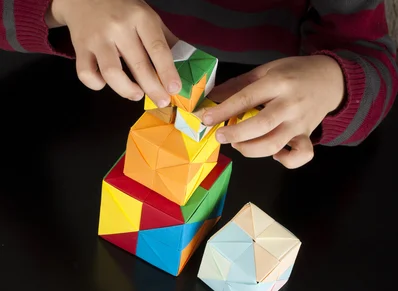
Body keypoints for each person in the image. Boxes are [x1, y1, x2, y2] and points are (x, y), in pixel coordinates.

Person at [1, 0, 397, 168]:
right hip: (66, 100)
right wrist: (61, 6)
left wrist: (336, 83)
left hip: (260, 118)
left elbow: (375, 60)